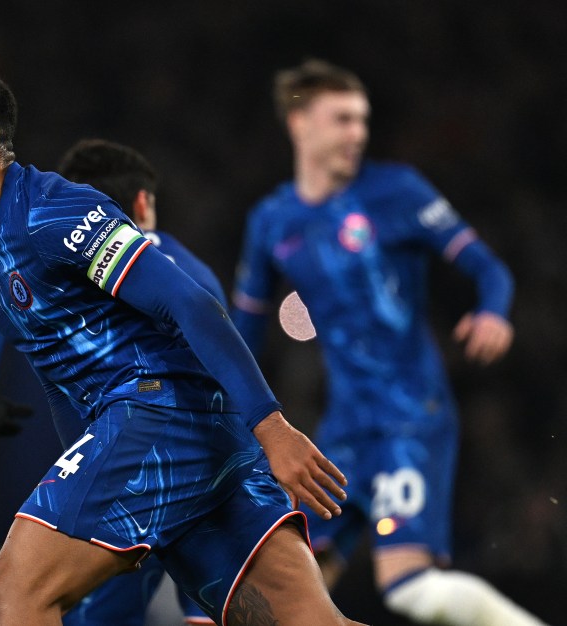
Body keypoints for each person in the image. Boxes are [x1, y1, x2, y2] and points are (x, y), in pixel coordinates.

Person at [0, 62, 362, 626]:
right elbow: (62, 386)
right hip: (193, 441)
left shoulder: (52, 210)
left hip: (155, 414)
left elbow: (189, 302)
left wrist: (273, 427)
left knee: (13, 597)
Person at [230, 59, 545, 625]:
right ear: (299, 123)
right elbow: (243, 331)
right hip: (342, 432)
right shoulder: (272, 221)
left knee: (411, 591)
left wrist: (493, 312)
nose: (358, 133)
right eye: (343, 119)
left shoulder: (397, 191)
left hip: (410, 418)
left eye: (363, 120)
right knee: (290, 599)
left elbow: (488, 269)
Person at [0, 138, 224, 625]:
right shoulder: (192, 273)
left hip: (118, 463)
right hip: (205, 462)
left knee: (32, 598)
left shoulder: (44, 250)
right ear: (143, 202)